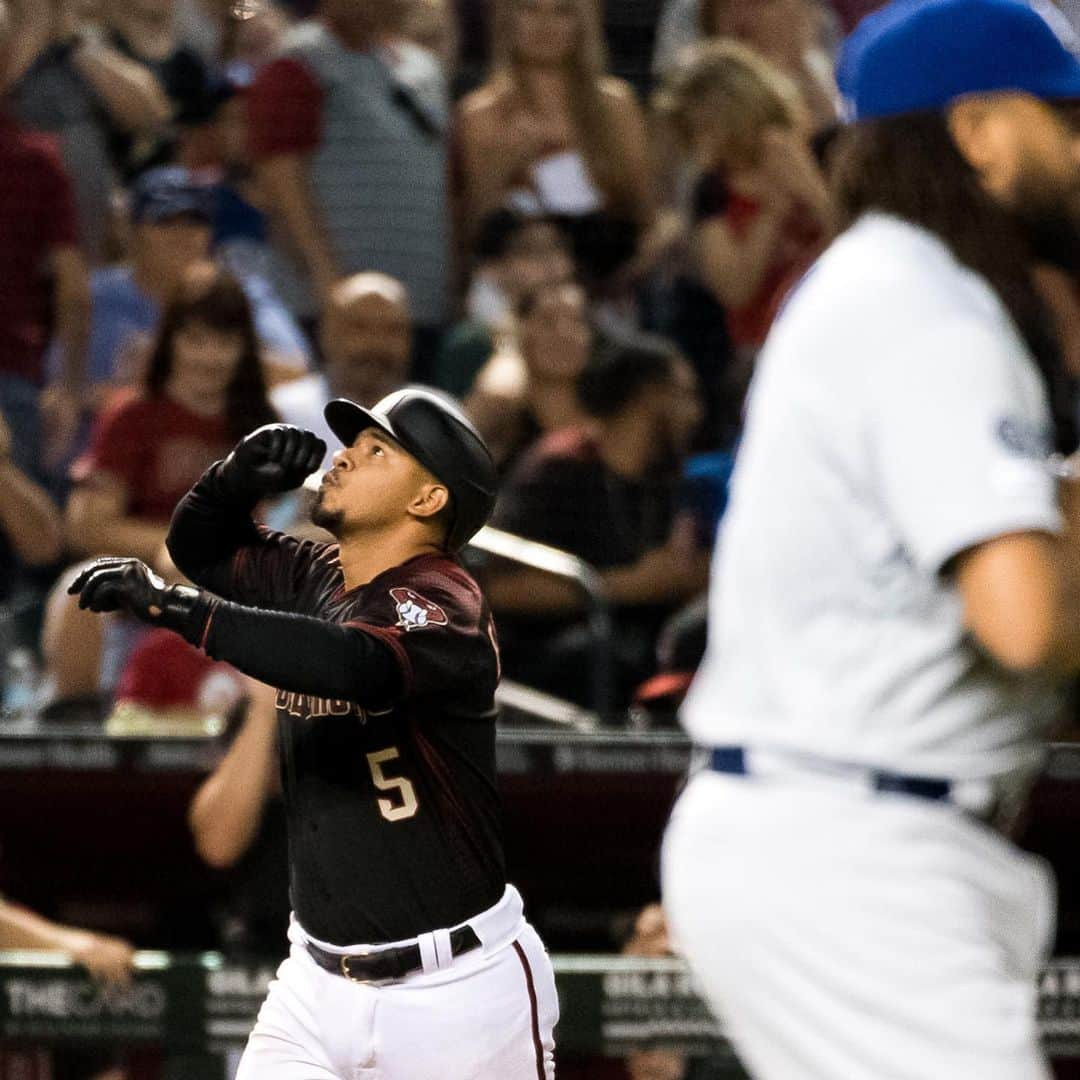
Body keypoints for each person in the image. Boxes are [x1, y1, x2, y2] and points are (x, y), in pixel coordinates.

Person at [661, 2, 1080, 1078]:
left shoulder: (897, 288)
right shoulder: (925, 310)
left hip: (846, 829)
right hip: (851, 845)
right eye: (1065, 120)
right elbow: (1027, 621)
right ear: (980, 131)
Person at [68, 388, 558, 1078]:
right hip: (313, 981)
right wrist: (234, 478)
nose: (345, 457)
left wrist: (182, 610)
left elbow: (352, 662)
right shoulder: (317, 576)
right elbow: (200, 545)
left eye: (376, 450)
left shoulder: (445, 600)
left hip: (455, 992)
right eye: (353, 444)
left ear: (426, 501)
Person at [44, 261, 276, 700]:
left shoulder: (263, 426)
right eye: (195, 339)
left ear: (245, 348)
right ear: (171, 340)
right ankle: (76, 730)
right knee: (78, 588)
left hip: (238, 588)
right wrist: (174, 548)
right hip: (138, 580)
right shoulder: (131, 417)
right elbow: (87, 526)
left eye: (225, 341)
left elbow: (274, 526)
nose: (209, 357)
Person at [488, 334, 708, 707]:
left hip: (638, 647)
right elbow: (502, 589)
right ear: (648, 396)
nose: (695, 413)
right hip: (547, 657)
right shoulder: (559, 468)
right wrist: (633, 585)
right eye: (683, 395)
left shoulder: (664, 480)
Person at [246, 0, 451, 371]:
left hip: (419, 306)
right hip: (333, 312)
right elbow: (280, 179)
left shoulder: (426, 68)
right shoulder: (298, 61)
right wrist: (329, 284)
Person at [73, 165, 311, 410]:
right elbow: (61, 390)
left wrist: (168, 359)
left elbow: (297, 372)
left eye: (195, 221)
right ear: (133, 230)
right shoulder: (96, 296)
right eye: (165, 221)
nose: (182, 234)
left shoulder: (241, 293)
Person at [455, 0, 655, 291]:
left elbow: (645, 215)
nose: (544, 25)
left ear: (582, 22)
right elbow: (472, 227)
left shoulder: (616, 107)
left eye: (561, 11)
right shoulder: (479, 115)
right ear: (509, 19)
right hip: (511, 291)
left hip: (607, 283)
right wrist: (504, 163)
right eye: (530, 9)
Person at [271, 273, 414, 471]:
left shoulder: (433, 418)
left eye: (393, 330)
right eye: (360, 327)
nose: (377, 343)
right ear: (327, 334)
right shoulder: (282, 413)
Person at [466, 280, 593, 471]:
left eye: (575, 321)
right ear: (521, 330)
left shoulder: (608, 415)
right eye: (547, 321)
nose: (563, 333)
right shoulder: (500, 405)